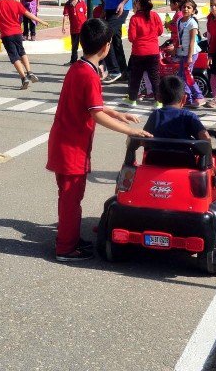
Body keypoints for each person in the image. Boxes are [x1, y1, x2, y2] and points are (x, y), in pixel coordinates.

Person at [45, 18, 151, 262]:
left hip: (64, 142)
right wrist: (130, 130)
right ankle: (65, 248)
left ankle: (68, 237)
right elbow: (96, 114)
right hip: (72, 148)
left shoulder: (79, 67)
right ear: (106, 46)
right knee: (71, 199)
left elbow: (93, 107)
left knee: (68, 196)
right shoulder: (89, 75)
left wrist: (117, 113)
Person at [144, 76, 211, 141]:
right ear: (184, 99)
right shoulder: (189, 116)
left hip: (156, 152)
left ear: (158, 98)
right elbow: (205, 137)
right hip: (184, 152)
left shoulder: (154, 115)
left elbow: (143, 137)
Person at [126, 0, 163, 106]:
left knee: (135, 78)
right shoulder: (155, 16)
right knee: (155, 77)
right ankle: (158, 101)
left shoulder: (135, 18)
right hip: (153, 52)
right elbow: (160, 31)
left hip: (139, 53)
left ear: (137, 3)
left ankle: (132, 99)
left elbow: (131, 38)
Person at [175, 0, 205, 108]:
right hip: (183, 52)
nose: (186, 9)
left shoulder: (192, 23)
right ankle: (188, 98)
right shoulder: (179, 21)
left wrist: (189, 57)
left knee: (187, 75)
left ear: (193, 11)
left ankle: (198, 96)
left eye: (189, 7)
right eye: (184, 7)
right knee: (182, 75)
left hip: (191, 53)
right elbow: (180, 37)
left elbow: (192, 41)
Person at [62, 0, 88, 64]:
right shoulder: (67, 4)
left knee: (85, 45)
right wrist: (63, 26)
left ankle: (86, 60)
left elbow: (86, 14)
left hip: (83, 29)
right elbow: (65, 16)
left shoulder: (82, 3)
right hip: (74, 29)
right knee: (74, 46)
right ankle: (73, 61)